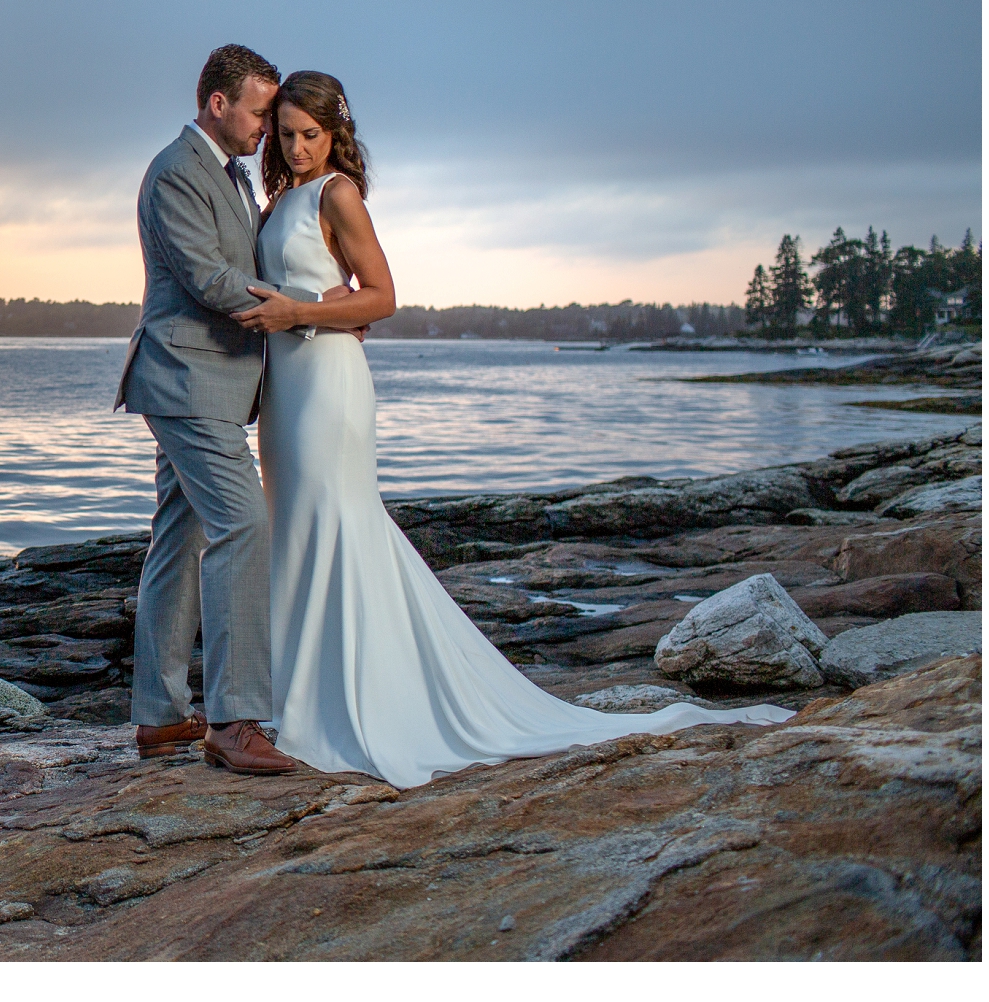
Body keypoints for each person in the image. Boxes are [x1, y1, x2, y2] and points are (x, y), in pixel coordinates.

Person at [233, 71, 791, 787]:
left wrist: (299, 313)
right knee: (295, 529)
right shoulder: (278, 199)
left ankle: (349, 707)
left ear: (335, 131)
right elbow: (326, 292)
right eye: (285, 135)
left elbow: (383, 297)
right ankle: (302, 699)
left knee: (335, 521)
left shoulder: (338, 192)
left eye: (310, 134)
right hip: (284, 390)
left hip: (327, 387)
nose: (297, 146)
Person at [115, 44, 302, 775]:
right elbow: (208, 278)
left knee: (178, 540)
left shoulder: (229, 175)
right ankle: (233, 719)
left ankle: (160, 719)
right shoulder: (176, 171)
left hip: (210, 382)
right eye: (259, 112)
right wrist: (303, 314)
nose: (267, 126)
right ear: (218, 103)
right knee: (244, 525)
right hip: (185, 378)